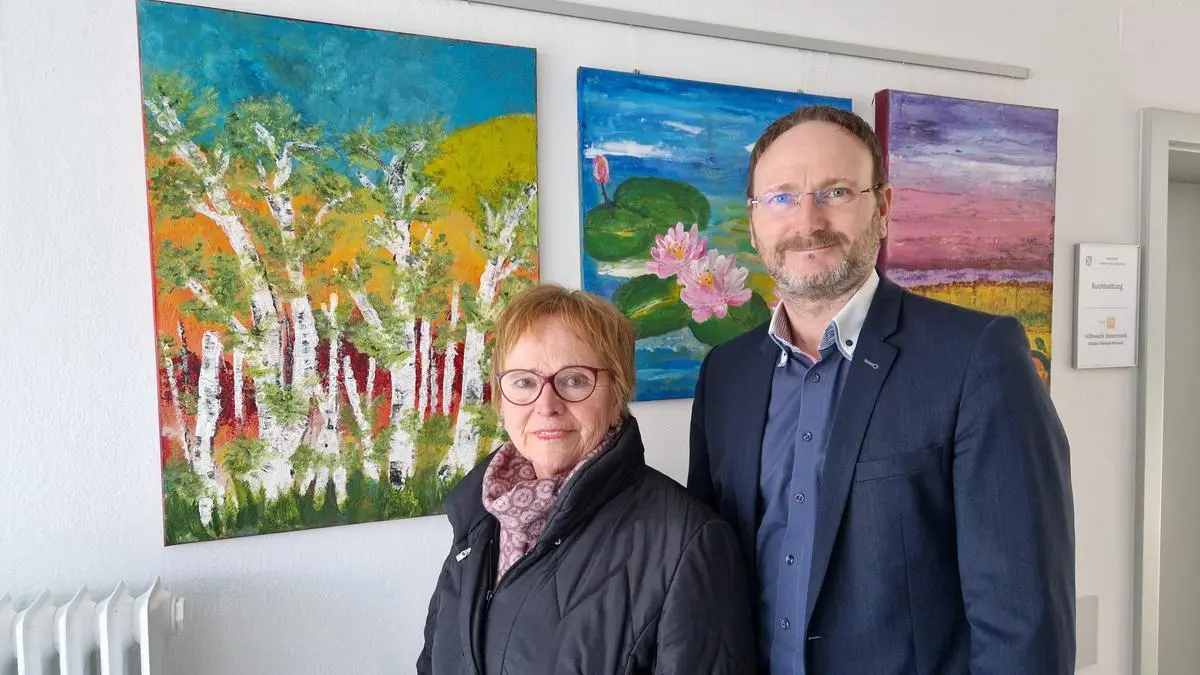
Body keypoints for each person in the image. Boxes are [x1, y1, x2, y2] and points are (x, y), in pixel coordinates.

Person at [687, 105, 1076, 674]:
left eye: (837, 191)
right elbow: (706, 575)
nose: (808, 221)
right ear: (753, 222)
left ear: (884, 208)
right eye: (782, 197)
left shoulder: (976, 357)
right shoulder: (725, 374)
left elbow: (1024, 618)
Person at [417, 283, 756, 675]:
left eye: (574, 380)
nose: (546, 405)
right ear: (501, 400)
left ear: (616, 396)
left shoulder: (690, 543)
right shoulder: (480, 515)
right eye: (524, 382)